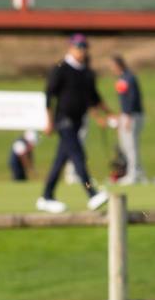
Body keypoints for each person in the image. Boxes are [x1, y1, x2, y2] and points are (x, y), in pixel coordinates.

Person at [38, 33, 111, 213]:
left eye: (84, 47)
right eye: (78, 47)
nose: (81, 51)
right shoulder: (61, 68)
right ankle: (92, 194)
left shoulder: (86, 72)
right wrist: (48, 121)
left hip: (78, 122)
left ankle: (46, 196)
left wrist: (107, 115)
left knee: (60, 160)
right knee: (78, 157)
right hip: (63, 121)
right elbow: (49, 95)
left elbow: (93, 98)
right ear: (70, 48)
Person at [110, 55, 146, 184]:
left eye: (113, 66)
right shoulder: (122, 78)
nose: (111, 69)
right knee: (126, 146)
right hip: (125, 115)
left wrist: (128, 117)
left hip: (132, 116)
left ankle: (134, 174)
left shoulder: (129, 78)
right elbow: (123, 101)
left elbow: (132, 98)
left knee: (131, 146)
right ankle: (137, 172)